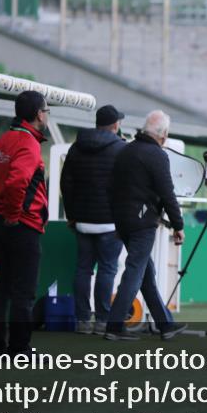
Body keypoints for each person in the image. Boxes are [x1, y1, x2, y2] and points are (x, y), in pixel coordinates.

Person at [0, 90, 50, 358]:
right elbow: (17, 182)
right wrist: (11, 213)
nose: (46, 116)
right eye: (46, 111)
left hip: (1, 223)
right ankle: (19, 349)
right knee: (23, 292)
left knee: (2, 287)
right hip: (23, 224)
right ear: (39, 114)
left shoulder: (3, 141)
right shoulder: (29, 143)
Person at [104, 110, 187, 341]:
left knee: (145, 273)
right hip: (142, 223)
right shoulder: (157, 155)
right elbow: (167, 193)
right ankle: (114, 326)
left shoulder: (125, 150)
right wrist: (177, 225)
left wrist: (118, 216)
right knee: (135, 272)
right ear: (164, 134)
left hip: (123, 220)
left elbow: (110, 187)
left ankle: (165, 325)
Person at [60, 104, 128, 336]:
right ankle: (102, 321)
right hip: (111, 222)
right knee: (107, 270)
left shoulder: (77, 147)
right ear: (116, 125)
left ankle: (82, 321)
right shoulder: (121, 149)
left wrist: (72, 215)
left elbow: (65, 183)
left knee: (83, 269)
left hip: (82, 220)